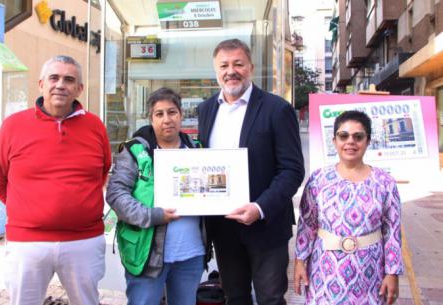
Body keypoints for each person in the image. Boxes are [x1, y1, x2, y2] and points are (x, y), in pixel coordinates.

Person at [0, 55, 111, 305]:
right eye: (54, 78)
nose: (60, 85)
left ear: (79, 89)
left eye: (69, 79)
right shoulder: (13, 126)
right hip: (27, 244)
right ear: (41, 84)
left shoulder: (95, 126)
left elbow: (102, 173)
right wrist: (27, 209)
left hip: (83, 241)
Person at [197, 39, 305, 305]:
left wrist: (259, 207)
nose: (231, 71)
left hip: (265, 225)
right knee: (235, 297)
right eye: (224, 65)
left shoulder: (277, 109)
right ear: (216, 70)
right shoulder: (206, 109)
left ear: (251, 68)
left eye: (238, 64)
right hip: (223, 226)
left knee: (270, 298)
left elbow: (292, 169)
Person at [106, 87, 206, 305]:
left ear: (181, 115)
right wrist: (154, 215)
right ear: (150, 118)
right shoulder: (135, 151)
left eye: (172, 112)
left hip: (191, 254)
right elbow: (116, 195)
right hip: (147, 255)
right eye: (159, 114)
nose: (167, 119)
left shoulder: (196, 150)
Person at [294, 110, 403, 305]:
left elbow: (392, 230)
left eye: (358, 136)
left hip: (370, 273)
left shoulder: (385, 182)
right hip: (325, 272)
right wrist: (300, 262)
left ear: (368, 141)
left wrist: (392, 272)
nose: (350, 141)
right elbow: (307, 225)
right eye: (343, 136)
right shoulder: (319, 180)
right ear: (334, 141)